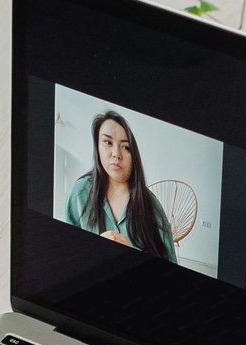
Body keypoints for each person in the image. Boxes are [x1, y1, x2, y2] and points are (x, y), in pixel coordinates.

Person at [62, 109, 178, 260]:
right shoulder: (80, 192)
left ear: (134, 155)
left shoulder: (151, 206)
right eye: (107, 142)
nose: (116, 153)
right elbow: (66, 251)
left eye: (125, 147)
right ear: (97, 146)